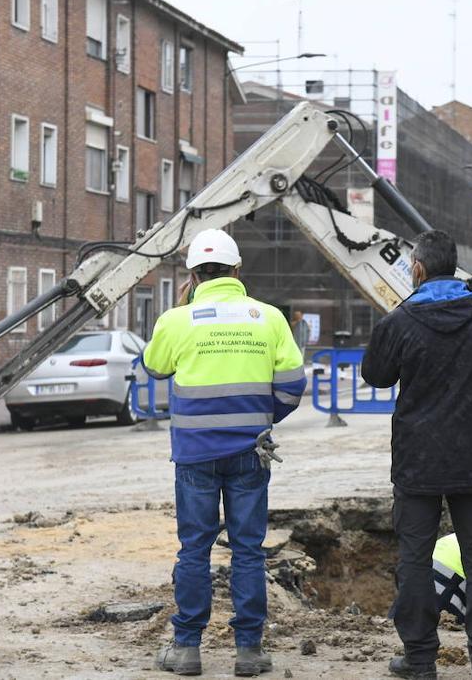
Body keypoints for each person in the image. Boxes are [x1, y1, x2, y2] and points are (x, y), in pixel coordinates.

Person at [362, 229, 472, 680]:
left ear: (417, 269)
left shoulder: (398, 322)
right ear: (455, 268)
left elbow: (376, 375)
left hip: (417, 464)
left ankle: (419, 663)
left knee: (415, 560)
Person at [143, 228, 306, 678]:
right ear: (238, 271)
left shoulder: (178, 320)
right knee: (249, 551)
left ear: (192, 275)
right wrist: (260, 418)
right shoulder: (269, 317)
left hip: (195, 455)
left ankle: (187, 648)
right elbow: (293, 386)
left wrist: (181, 310)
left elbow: (155, 366)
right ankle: (249, 652)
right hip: (250, 453)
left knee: (194, 550)